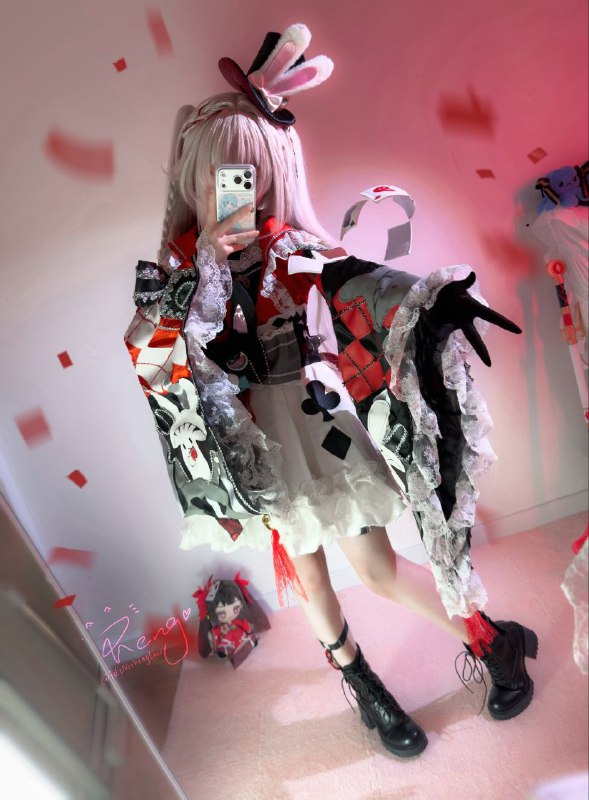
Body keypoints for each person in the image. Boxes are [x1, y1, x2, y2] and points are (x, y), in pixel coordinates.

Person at [124, 24, 538, 758]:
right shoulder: (179, 270)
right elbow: (153, 355)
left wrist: (428, 301)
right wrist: (204, 269)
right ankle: (369, 692)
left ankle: (487, 638)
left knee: (376, 569)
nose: (233, 193)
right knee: (311, 581)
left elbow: (361, 285)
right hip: (256, 446)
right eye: (221, 177)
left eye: (246, 176)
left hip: (318, 426)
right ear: (194, 177)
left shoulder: (291, 246)